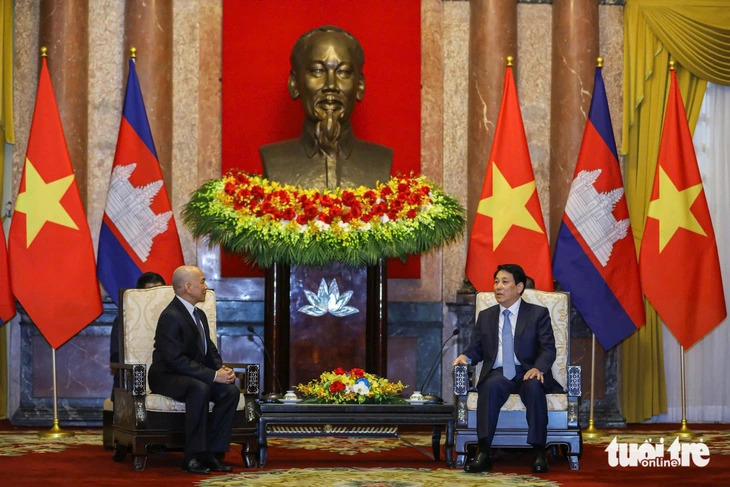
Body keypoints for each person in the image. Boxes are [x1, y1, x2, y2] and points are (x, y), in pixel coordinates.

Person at [452, 263, 562, 474]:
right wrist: (465, 357)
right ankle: (484, 452)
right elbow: (476, 349)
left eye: (504, 282)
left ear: (519, 287)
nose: (498, 287)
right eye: (496, 282)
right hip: (499, 372)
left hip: (527, 369)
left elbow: (548, 349)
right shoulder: (486, 316)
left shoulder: (537, 313)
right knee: (489, 387)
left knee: (534, 387)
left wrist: (538, 368)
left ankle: (539, 452)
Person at [260, 25, 392, 190]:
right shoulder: (274, 160)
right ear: (294, 84)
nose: (331, 85)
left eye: (343, 72)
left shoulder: (381, 160)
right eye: (317, 71)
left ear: (359, 86)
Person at [148, 265, 238, 475]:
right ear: (188, 287)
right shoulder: (171, 315)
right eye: (202, 282)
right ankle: (193, 457)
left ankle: (213, 454)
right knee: (199, 388)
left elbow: (209, 349)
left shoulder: (199, 314)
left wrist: (221, 370)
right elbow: (175, 360)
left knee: (230, 391)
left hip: (190, 374)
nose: (206, 286)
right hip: (166, 376)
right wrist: (213, 376)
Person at [109, 272, 166, 393]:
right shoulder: (124, 319)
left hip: (166, 379)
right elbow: (115, 356)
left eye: (159, 292)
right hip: (131, 380)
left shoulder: (173, 318)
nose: (155, 297)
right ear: (138, 295)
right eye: (150, 292)